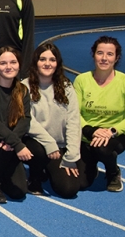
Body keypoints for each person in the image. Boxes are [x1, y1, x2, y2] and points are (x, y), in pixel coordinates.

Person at [74, 36, 125, 192]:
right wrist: (92, 131)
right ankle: (91, 166)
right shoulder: (81, 80)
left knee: (103, 148)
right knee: (81, 184)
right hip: (86, 136)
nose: (104, 58)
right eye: (100, 53)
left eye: (109, 54)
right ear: (93, 55)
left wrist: (110, 132)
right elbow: (74, 113)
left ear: (116, 58)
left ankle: (113, 172)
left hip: (115, 136)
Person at [21, 43, 82, 198]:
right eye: (42, 59)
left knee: (69, 189)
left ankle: (48, 169)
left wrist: (71, 155)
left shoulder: (66, 86)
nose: (47, 63)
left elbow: (74, 120)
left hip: (59, 147)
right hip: (38, 144)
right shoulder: (24, 86)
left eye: (52, 60)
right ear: (36, 62)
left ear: (57, 63)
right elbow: (28, 121)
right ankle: (34, 176)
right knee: (38, 151)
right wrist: (49, 144)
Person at [0, 47, 32, 203]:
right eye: (3, 63)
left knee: (19, 192)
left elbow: (25, 119)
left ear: (19, 65)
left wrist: (12, 141)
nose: (8, 67)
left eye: (13, 62)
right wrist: (16, 144)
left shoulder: (22, 90)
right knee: (0, 150)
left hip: (9, 141)